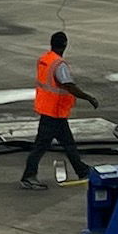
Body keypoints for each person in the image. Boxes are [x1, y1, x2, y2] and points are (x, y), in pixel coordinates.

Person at [20, 31, 99, 189]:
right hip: (54, 112)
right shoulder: (59, 64)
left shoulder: (45, 59)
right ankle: (28, 176)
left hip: (49, 109)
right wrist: (88, 97)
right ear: (65, 45)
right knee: (41, 145)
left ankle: (82, 170)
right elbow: (68, 85)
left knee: (68, 144)